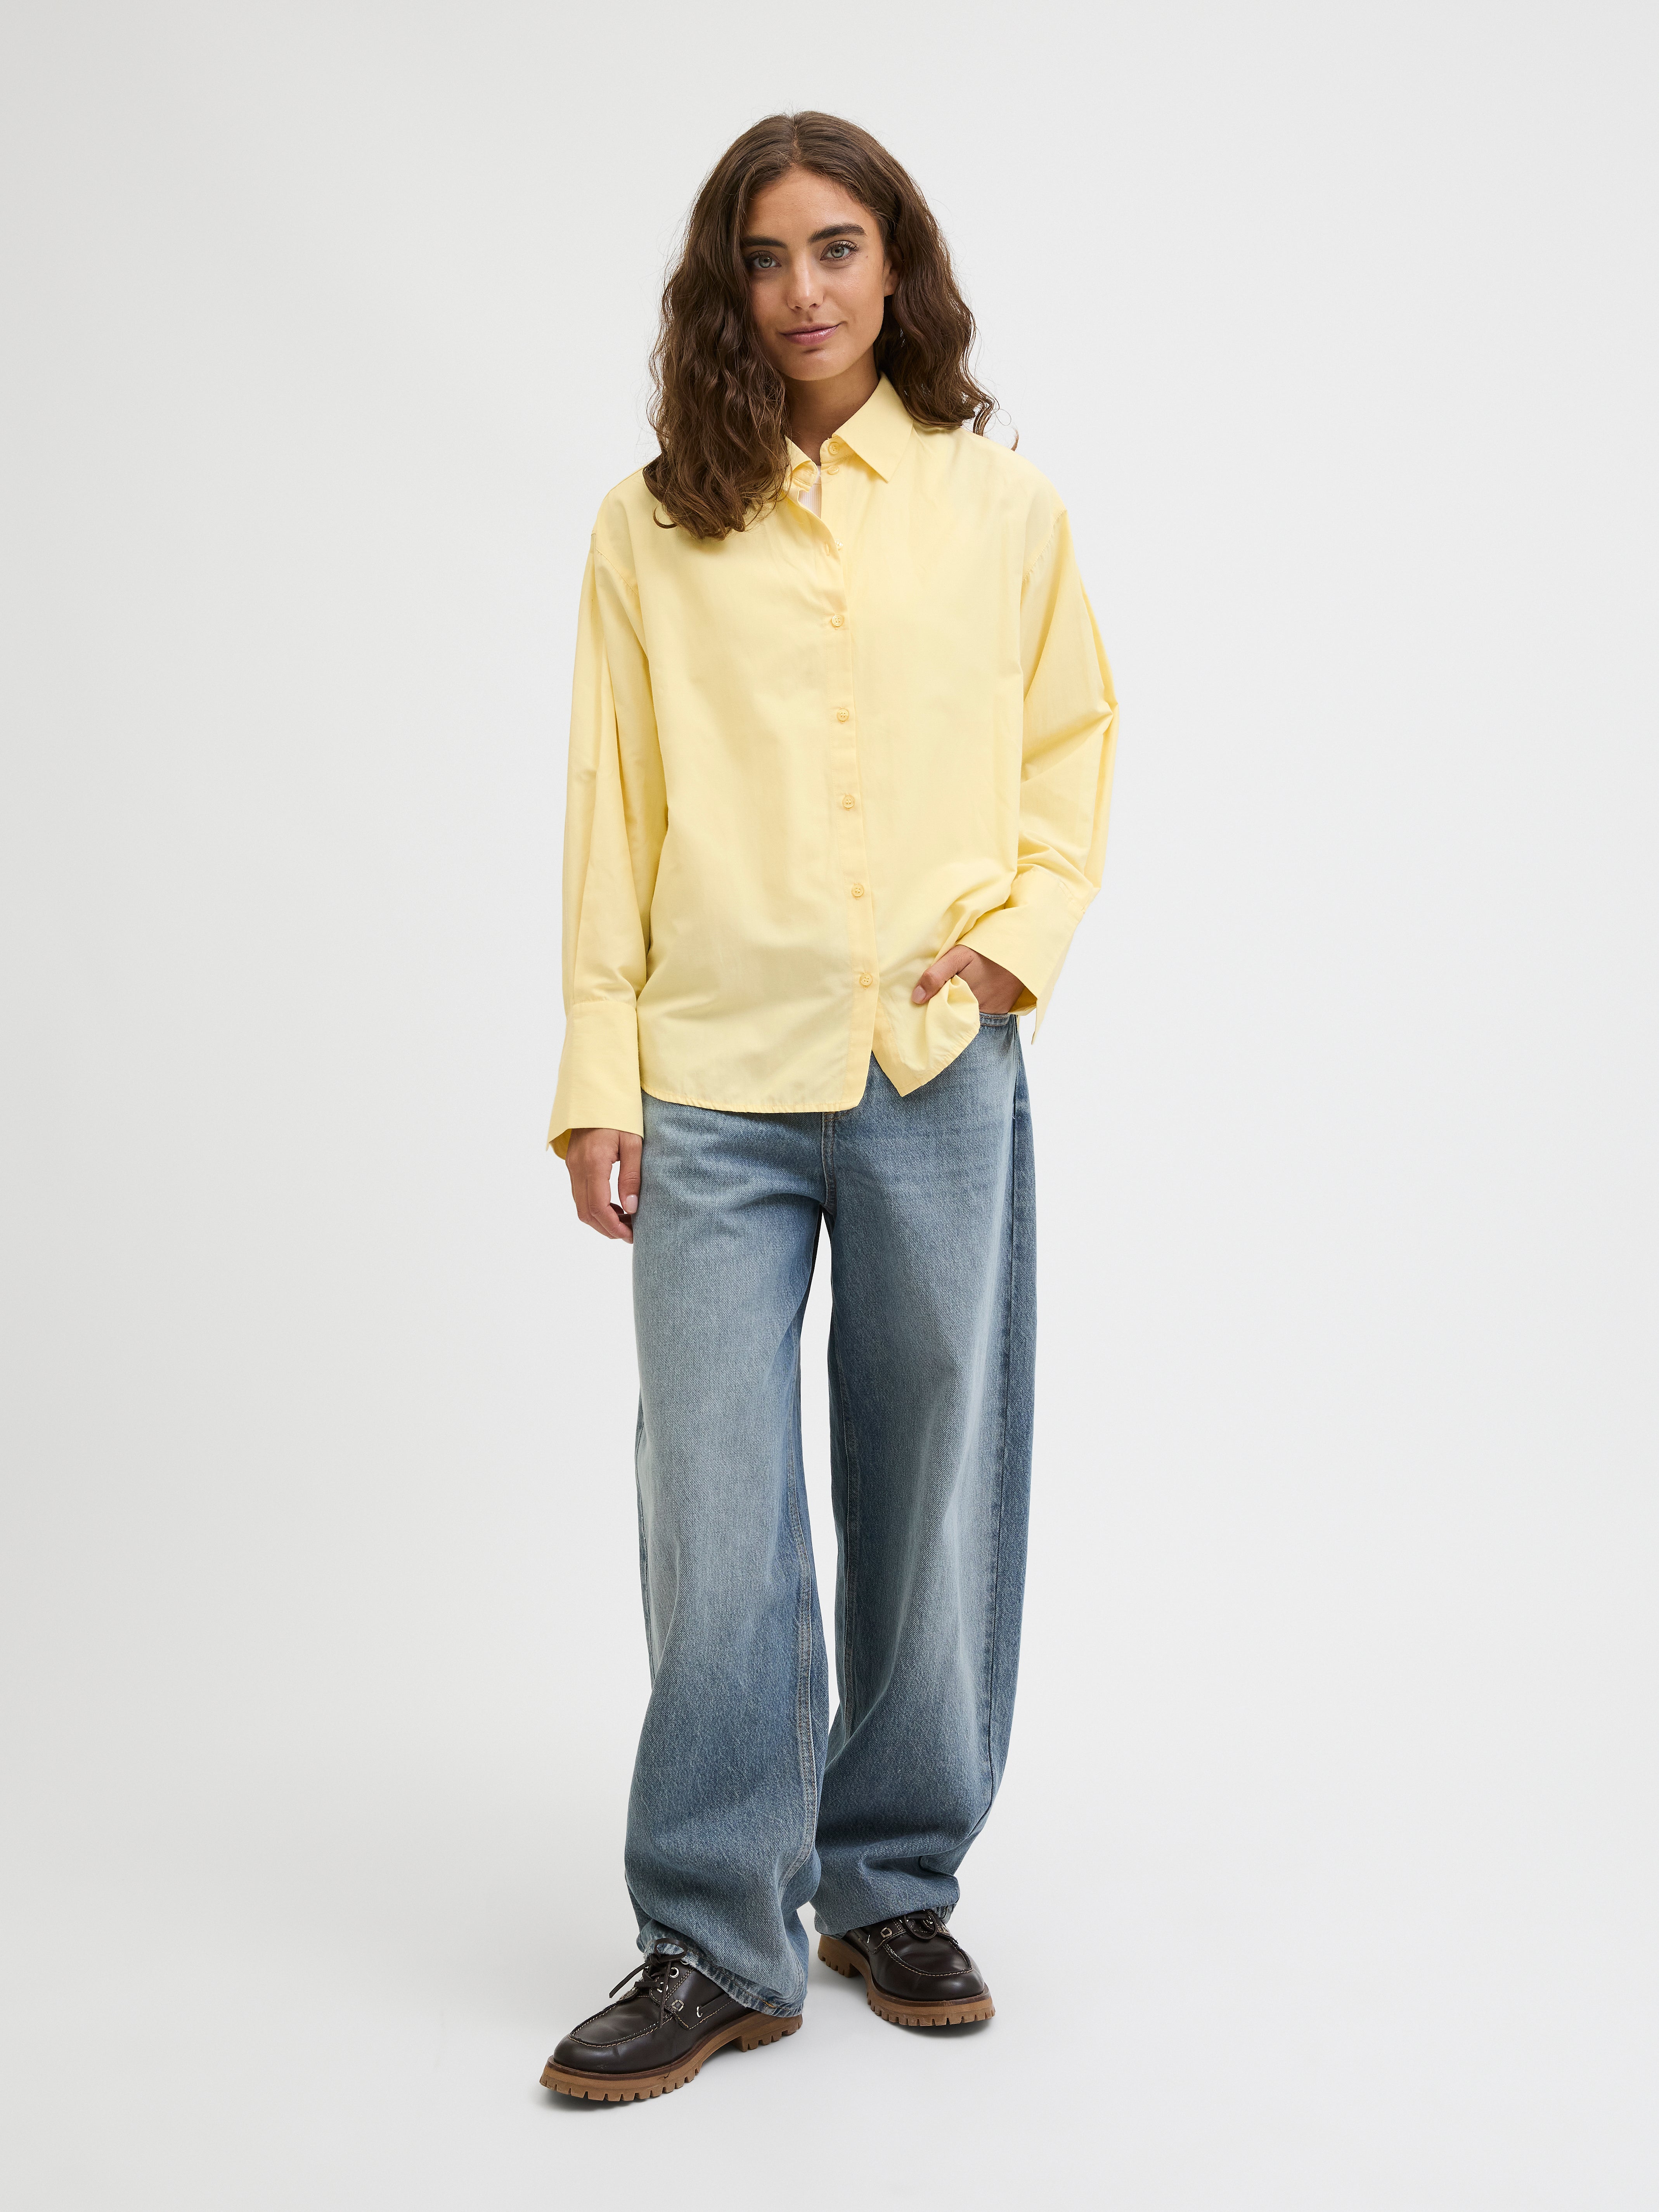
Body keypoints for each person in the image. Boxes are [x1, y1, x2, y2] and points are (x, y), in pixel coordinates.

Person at [539, 110, 1118, 2103]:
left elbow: (1070, 748)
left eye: (839, 246)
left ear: (897, 265)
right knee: (716, 1506)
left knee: (935, 1481)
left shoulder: (999, 506)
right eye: (767, 255)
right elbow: (610, 806)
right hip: (708, 1074)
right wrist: (595, 1076)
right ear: (727, 284)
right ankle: (717, 1935)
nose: (804, 289)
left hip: (932, 1063)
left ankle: (889, 1881)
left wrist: (1015, 946)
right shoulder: (650, 527)